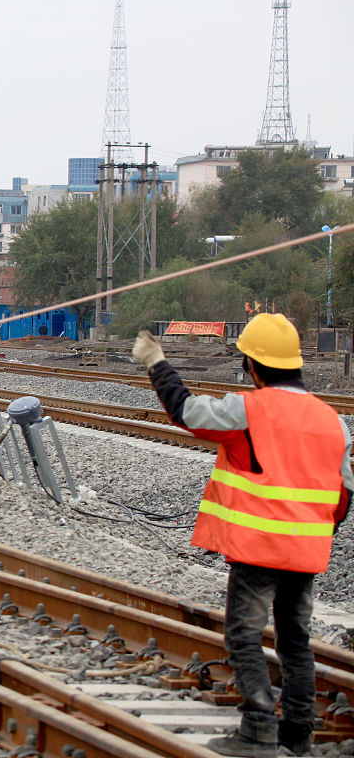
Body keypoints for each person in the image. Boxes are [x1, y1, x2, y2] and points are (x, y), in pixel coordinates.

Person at [133, 314, 354, 758]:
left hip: (257, 550)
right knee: (295, 640)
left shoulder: (248, 410)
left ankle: (256, 730)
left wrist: (157, 363)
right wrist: (311, 532)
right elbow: (344, 493)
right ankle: (297, 733)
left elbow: (186, 411)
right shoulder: (334, 421)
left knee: (243, 634)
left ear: (253, 366)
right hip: (305, 552)